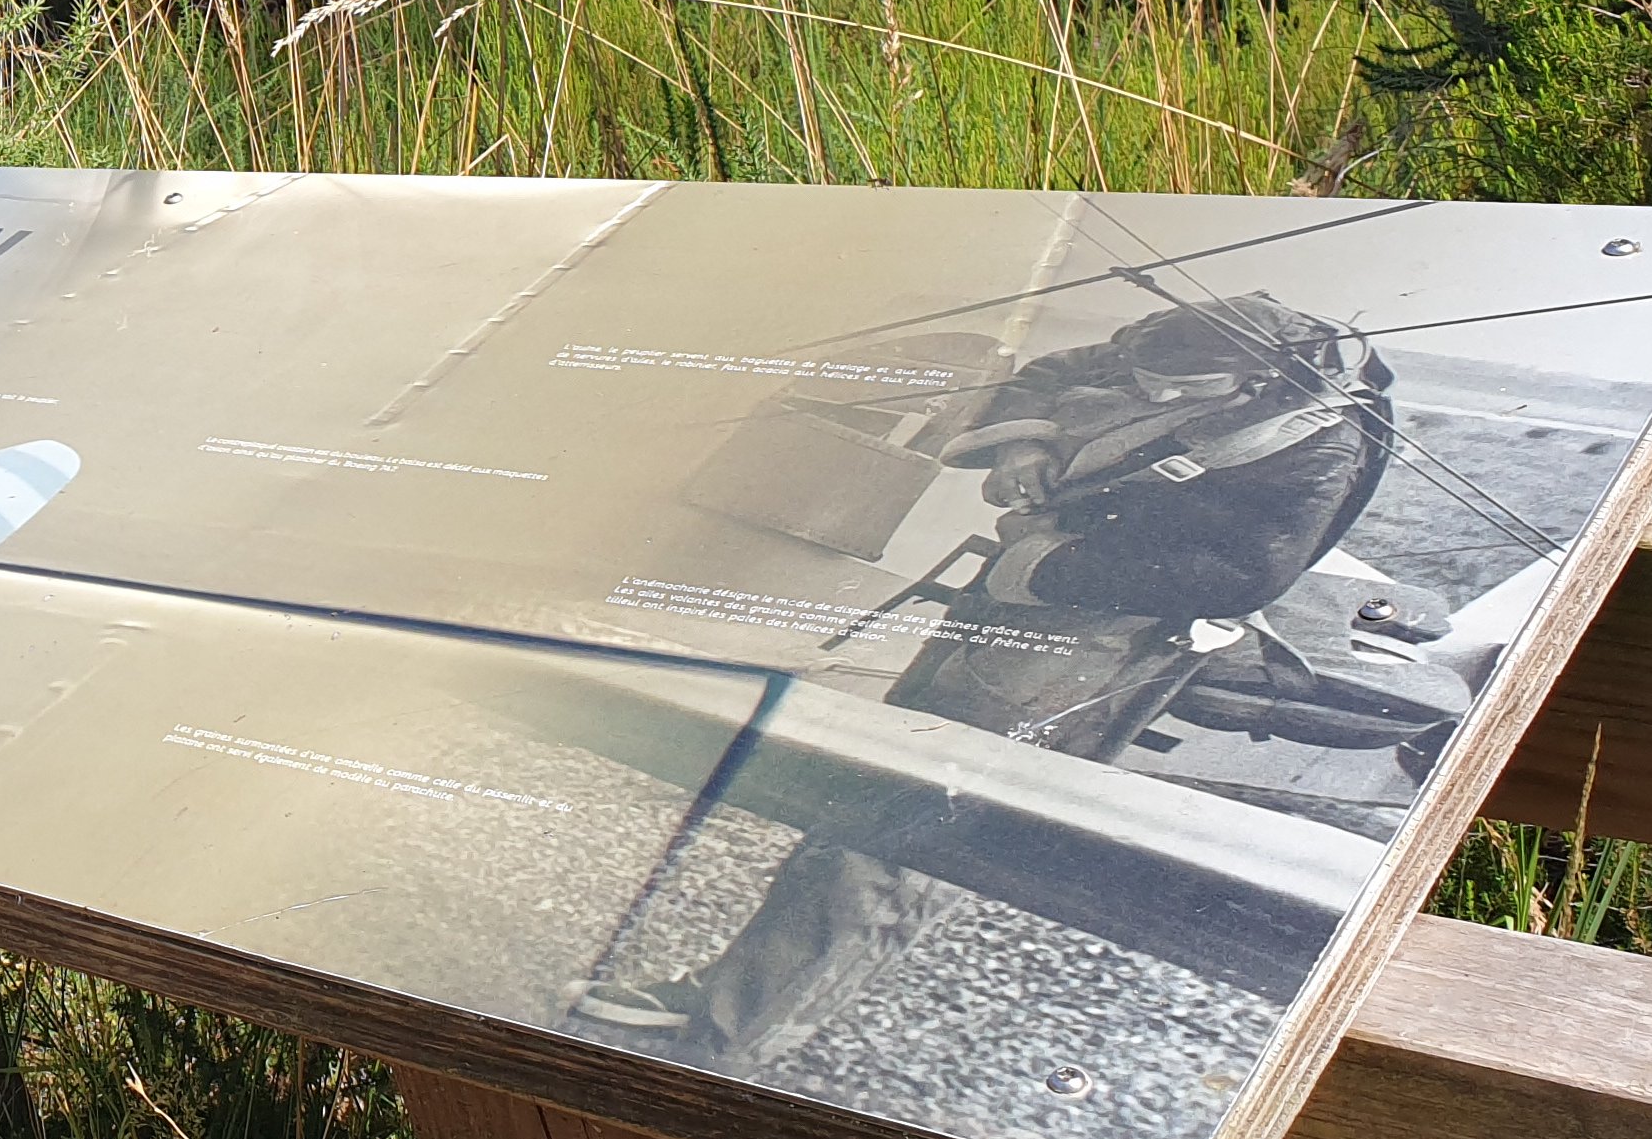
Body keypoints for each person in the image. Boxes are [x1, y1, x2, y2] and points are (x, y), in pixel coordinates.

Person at [584, 289, 1400, 1066]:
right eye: (1148, 376)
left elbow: (1242, 574)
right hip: (1019, 592)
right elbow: (1052, 372)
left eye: (1178, 389)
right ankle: (735, 998)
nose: (1153, 391)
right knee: (872, 781)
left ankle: (727, 1040)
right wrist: (1024, 443)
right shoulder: (1176, 340)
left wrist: (1045, 569)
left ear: (1255, 381)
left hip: (1094, 640)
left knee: (916, 825)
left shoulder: (1317, 443)